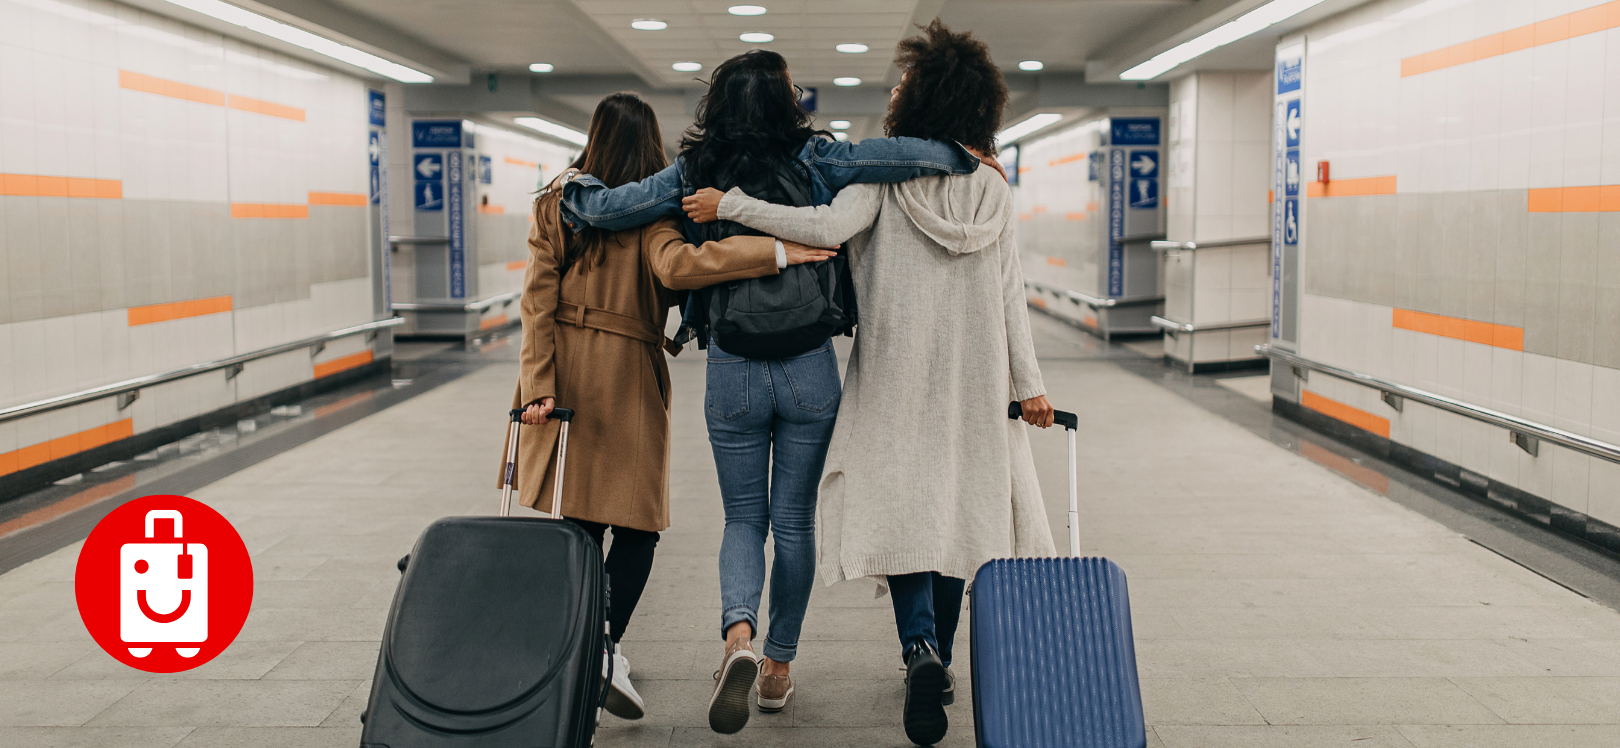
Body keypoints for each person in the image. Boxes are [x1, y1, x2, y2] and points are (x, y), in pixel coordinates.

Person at [554, 49, 994, 735]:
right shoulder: (819, 158)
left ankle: (738, 636)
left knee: (742, 521)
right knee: (793, 525)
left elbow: (614, 208)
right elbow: (898, 156)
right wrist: (959, 156)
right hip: (807, 366)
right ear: (789, 101)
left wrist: (575, 190)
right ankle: (779, 667)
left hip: (731, 365)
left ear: (717, 103)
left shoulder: (699, 170)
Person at [682, 22, 1057, 746]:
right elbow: (1012, 295)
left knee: (905, 513)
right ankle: (936, 658)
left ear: (923, 101)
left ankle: (916, 647)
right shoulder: (995, 192)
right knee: (958, 510)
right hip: (974, 381)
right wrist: (1029, 384)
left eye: (904, 85)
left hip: (895, 372)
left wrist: (730, 205)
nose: (893, 91)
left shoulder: (881, 184)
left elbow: (817, 227)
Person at [500, 92, 836, 722]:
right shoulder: (654, 216)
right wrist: (779, 249)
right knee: (638, 527)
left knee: (578, 520)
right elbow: (682, 268)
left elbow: (536, 301)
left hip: (565, 375)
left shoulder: (557, 204)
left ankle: (586, 648)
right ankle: (603, 646)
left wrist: (539, 384)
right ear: (652, 148)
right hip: (628, 375)